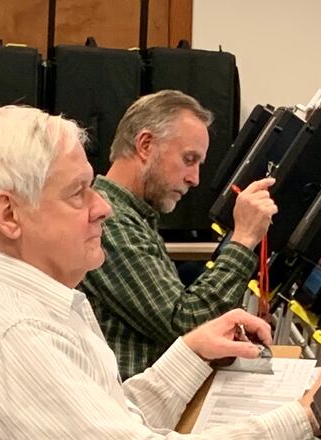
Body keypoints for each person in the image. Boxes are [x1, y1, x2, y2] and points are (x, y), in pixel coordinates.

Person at [0, 105, 321, 438]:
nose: (103, 207)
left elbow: (106, 418)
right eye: (78, 193)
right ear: (8, 215)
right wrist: (307, 415)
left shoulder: (21, 298)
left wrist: (191, 352)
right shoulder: (18, 337)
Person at [81, 90, 278, 378]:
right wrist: (244, 238)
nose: (194, 178)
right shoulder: (110, 221)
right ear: (145, 145)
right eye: (189, 159)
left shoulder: (135, 217)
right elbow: (186, 324)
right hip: (130, 399)